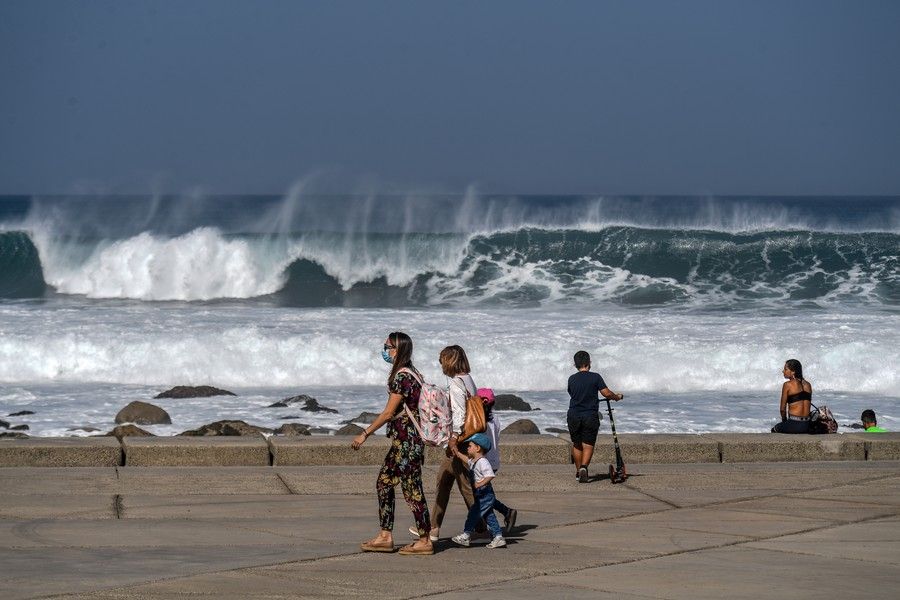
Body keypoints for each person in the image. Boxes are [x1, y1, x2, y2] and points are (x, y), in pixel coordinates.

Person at [351, 331, 433, 555]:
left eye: (388, 346)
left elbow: (388, 413)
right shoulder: (413, 373)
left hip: (408, 442)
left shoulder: (402, 377)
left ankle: (425, 540)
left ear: (398, 350)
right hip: (402, 442)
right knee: (384, 483)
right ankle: (385, 536)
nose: (385, 350)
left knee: (412, 489)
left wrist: (365, 433)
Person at [408, 345, 478, 542]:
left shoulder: (457, 383)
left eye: (442, 361)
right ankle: (434, 527)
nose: (440, 365)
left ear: (449, 361)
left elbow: (459, 413)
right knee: (445, 480)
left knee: (464, 486)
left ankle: (485, 524)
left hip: (460, 441)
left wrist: (454, 438)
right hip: (467, 439)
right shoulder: (468, 379)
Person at [567, 350, 624, 483]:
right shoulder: (595, 377)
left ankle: (578, 472)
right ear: (589, 363)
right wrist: (617, 397)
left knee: (576, 444)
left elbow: (572, 393)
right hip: (589, 415)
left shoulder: (571, 379)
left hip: (573, 414)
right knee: (588, 444)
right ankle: (584, 467)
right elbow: (606, 393)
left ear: (575, 364)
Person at [450, 432, 507, 549]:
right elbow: (466, 459)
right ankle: (498, 537)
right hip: (481, 495)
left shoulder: (483, 462)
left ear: (478, 448)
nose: (467, 448)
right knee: (489, 516)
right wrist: (457, 452)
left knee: (473, 514)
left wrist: (480, 483)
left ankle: (466, 536)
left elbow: (490, 475)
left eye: (470, 446)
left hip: (485, 494)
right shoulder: (474, 461)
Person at [479, 387, 517, 534]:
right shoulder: (495, 418)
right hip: (494, 461)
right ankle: (481, 522)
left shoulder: (480, 419)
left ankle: (506, 513)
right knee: (484, 493)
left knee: (482, 496)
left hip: (484, 462)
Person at [771, 359, 812, 434]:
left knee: (774, 429)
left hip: (794, 424)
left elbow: (782, 409)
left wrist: (784, 421)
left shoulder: (787, 385)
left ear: (793, 372)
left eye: (785, 369)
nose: (783, 371)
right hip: (807, 425)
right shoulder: (808, 385)